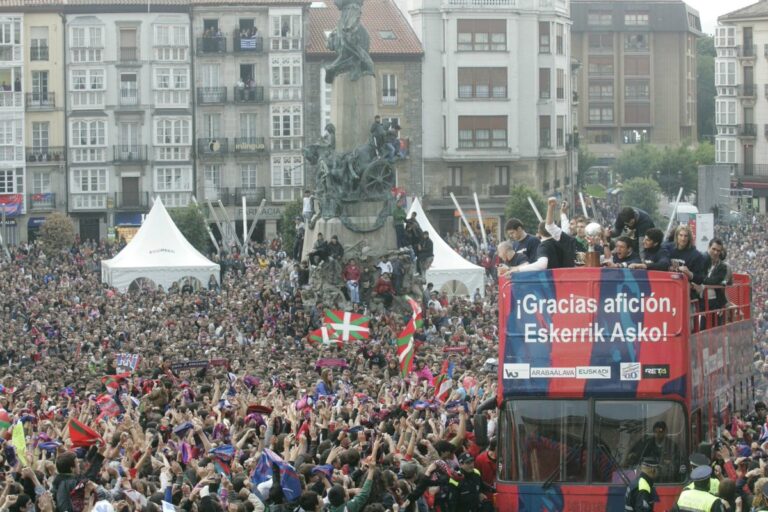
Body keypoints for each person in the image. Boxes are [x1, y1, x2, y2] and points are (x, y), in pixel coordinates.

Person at [693, 239, 728, 327]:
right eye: (713, 249)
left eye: (718, 251)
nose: (715, 252)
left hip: (715, 303)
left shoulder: (722, 267)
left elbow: (715, 281)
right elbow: (696, 277)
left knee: (714, 329)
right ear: (709, 247)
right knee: (700, 328)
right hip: (700, 302)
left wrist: (701, 281)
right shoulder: (701, 261)